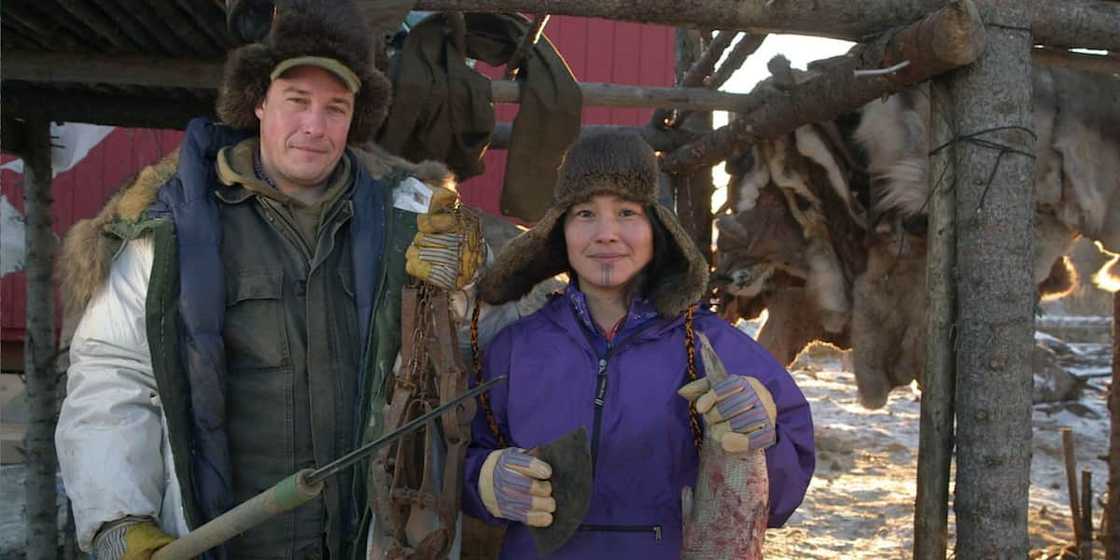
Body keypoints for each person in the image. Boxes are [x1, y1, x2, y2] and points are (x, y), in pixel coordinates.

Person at [54, 2, 488, 558]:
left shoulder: (414, 221)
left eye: (336, 107)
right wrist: (118, 516)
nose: (315, 126)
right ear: (259, 102)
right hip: (222, 539)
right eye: (297, 102)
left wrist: (465, 286)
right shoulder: (168, 228)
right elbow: (114, 373)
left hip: (369, 539)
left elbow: (473, 357)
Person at [463, 132, 816, 558]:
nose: (606, 234)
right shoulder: (515, 349)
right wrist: (484, 480)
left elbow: (779, 503)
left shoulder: (715, 347)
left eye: (627, 212)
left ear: (657, 229)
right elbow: (456, 455)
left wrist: (764, 439)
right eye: (586, 213)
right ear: (562, 232)